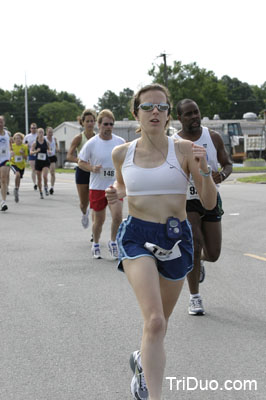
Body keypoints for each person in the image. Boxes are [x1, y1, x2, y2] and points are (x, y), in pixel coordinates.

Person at [105, 84, 217, 400]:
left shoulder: (183, 150)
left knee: (159, 327)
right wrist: (116, 194)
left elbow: (208, 203)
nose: (156, 112)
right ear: (136, 113)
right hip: (137, 237)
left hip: (176, 238)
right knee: (153, 320)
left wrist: (205, 169)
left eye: (162, 107)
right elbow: (123, 186)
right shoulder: (121, 153)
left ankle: (142, 361)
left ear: (169, 114)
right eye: (148, 107)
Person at [173, 99, 232, 315]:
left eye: (196, 112)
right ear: (179, 118)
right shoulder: (174, 143)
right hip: (187, 201)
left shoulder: (213, 137)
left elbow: (227, 164)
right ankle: (194, 297)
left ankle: (200, 263)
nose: (194, 117)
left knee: (213, 253)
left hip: (210, 197)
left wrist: (222, 175)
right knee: (194, 245)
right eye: (188, 114)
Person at [78, 109, 125, 259]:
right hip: (97, 187)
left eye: (111, 124)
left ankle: (113, 242)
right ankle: (96, 244)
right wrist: (91, 168)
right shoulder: (92, 143)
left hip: (115, 186)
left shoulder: (120, 142)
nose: (108, 127)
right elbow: (80, 162)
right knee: (99, 220)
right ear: (99, 125)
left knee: (118, 216)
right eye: (105, 124)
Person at [67, 109, 97, 229]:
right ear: (82, 123)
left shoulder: (98, 138)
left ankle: (95, 229)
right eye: (87, 121)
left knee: (95, 202)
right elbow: (69, 155)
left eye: (92, 121)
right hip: (82, 172)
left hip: (95, 172)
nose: (90, 123)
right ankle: (85, 214)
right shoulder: (79, 138)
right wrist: (80, 161)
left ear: (95, 122)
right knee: (84, 203)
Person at [30, 128, 51, 199]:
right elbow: (31, 152)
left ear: (43, 133)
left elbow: (49, 148)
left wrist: (49, 151)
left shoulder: (46, 142)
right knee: (39, 179)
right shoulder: (35, 143)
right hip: (38, 162)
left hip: (45, 161)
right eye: (39, 132)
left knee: (45, 176)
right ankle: (41, 192)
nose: (41, 134)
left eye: (42, 132)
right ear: (37, 134)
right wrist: (36, 151)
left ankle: (45, 187)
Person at [10, 132, 28, 203]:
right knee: (17, 174)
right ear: (14, 140)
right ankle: (15, 188)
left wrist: (22, 153)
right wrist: (11, 154)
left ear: (21, 139)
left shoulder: (24, 147)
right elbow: (9, 155)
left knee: (19, 177)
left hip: (22, 165)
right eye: (16, 138)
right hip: (13, 163)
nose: (17, 140)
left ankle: (17, 189)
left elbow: (26, 158)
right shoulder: (12, 146)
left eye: (19, 138)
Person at [0, 115, 11, 211]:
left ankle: (3, 202)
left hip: (5, 159)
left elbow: (10, 145)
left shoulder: (7, 134)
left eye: (1, 122)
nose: (0, 124)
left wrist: (11, 153)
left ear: (4, 123)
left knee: (4, 179)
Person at [24, 122, 38, 190]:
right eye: (32, 128)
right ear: (30, 129)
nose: (33, 129)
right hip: (31, 154)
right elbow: (24, 144)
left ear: (36, 128)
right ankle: (34, 183)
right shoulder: (27, 136)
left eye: (34, 128)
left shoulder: (39, 135)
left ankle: (39, 181)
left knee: (38, 169)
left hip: (39, 154)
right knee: (33, 169)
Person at [45, 126, 59, 194]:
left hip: (52, 156)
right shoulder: (44, 139)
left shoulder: (54, 138)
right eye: (49, 132)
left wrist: (56, 148)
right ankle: (45, 186)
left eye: (51, 132)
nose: (50, 133)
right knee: (45, 173)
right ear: (46, 132)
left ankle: (52, 187)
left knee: (52, 172)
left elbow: (56, 145)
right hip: (45, 157)